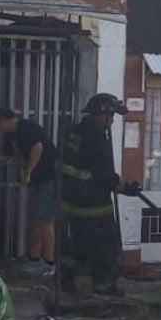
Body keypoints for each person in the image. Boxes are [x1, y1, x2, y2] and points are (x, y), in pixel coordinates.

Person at [60, 93, 140, 296]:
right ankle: (104, 286)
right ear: (101, 114)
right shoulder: (96, 137)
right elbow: (104, 174)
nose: (112, 121)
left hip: (73, 201)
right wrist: (127, 188)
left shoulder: (74, 132)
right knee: (106, 246)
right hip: (95, 204)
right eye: (111, 116)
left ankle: (65, 279)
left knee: (79, 244)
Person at [0, 108, 58, 275]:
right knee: (36, 219)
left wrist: (28, 171)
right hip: (36, 180)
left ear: (5, 120)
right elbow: (7, 155)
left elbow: (38, 147)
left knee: (45, 220)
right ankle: (34, 259)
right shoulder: (11, 136)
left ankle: (49, 262)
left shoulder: (26, 127)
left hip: (48, 177)